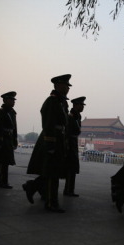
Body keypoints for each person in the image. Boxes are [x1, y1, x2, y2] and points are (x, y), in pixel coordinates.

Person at [24, 74, 71, 213]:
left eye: (68, 86)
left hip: (59, 139)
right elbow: (48, 123)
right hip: (51, 139)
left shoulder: (62, 102)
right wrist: (51, 144)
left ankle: (32, 186)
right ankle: (51, 203)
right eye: (64, 85)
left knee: (53, 171)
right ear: (56, 85)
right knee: (52, 173)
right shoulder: (52, 101)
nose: (67, 88)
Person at [0, 91, 18, 189]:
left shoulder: (12, 112)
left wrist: (15, 139)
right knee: (2, 162)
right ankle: (2, 181)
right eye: (11, 100)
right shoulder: (1, 111)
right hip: (3, 139)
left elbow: (14, 128)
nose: (13, 102)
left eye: (13, 100)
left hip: (9, 139)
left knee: (6, 162)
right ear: (5, 100)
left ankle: (4, 181)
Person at [64, 96, 86, 197]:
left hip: (74, 142)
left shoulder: (77, 117)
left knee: (73, 167)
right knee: (69, 167)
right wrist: (67, 146)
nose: (83, 107)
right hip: (69, 143)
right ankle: (67, 189)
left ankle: (70, 189)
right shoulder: (70, 117)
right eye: (81, 105)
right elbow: (67, 132)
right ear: (76, 105)